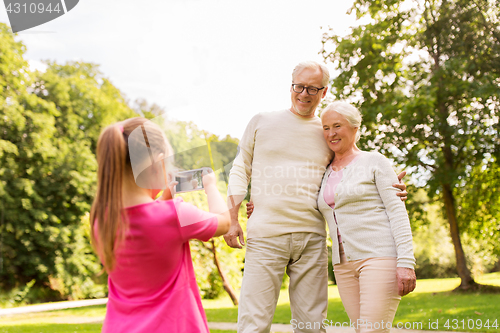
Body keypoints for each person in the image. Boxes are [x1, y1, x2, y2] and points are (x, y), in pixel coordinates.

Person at [224, 61, 407, 333]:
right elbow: (241, 168)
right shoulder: (262, 122)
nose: (304, 93)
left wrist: (389, 186)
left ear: (323, 91)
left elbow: (350, 165)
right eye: (299, 86)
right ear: (291, 86)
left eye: (312, 88)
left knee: (311, 326)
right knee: (253, 324)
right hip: (266, 236)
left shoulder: (325, 131)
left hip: (312, 239)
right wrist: (233, 218)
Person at [89, 117, 230, 333]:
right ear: (158, 162)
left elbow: (145, 224)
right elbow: (224, 222)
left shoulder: (102, 221)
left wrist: (162, 202)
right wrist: (210, 185)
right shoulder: (175, 215)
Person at [318, 101, 416, 333]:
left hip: (378, 258)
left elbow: (397, 213)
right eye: (325, 128)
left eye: (337, 126)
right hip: (342, 265)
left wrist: (406, 263)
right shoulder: (323, 171)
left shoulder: (375, 161)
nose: (331, 133)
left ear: (355, 128)